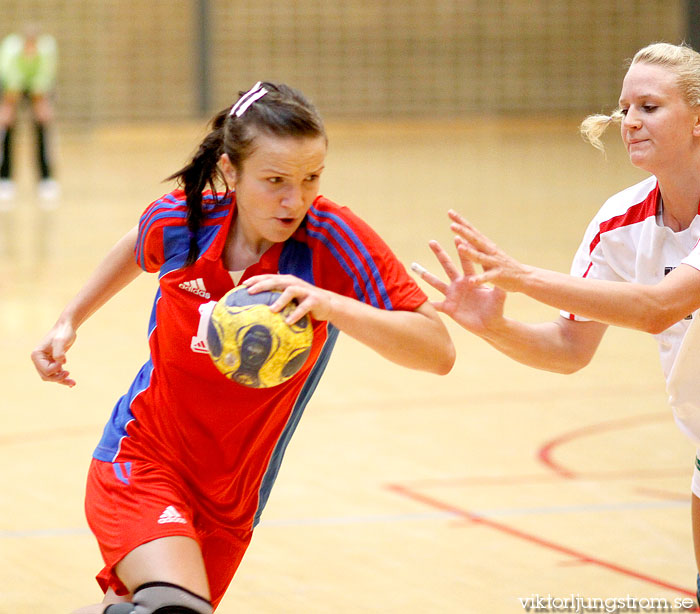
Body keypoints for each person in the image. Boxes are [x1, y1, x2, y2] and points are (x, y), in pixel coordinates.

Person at [31, 81, 455, 613]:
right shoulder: (185, 220)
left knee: (141, 606)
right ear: (231, 171)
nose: (294, 199)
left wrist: (330, 305)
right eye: (275, 180)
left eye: (311, 179)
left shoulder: (330, 239)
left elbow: (437, 351)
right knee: (175, 609)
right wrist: (68, 320)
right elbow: (137, 243)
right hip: (142, 457)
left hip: (231, 498)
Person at [412, 42, 700, 598]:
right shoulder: (619, 224)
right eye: (625, 109)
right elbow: (569, 347)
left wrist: (520, 277)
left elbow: (658, 306)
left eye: (649, 107)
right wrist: (493, 326)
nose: (630, 123)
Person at [0, 24, 59, 206]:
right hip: (12, 85)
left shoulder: (46, 49)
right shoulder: (10, 49)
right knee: (6, 129)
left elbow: (46, 74)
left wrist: (41, 100)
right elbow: (9, 76)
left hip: (38, 86)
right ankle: (5, 178)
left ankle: (46, 179)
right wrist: (8, 105)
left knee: (42, 127)